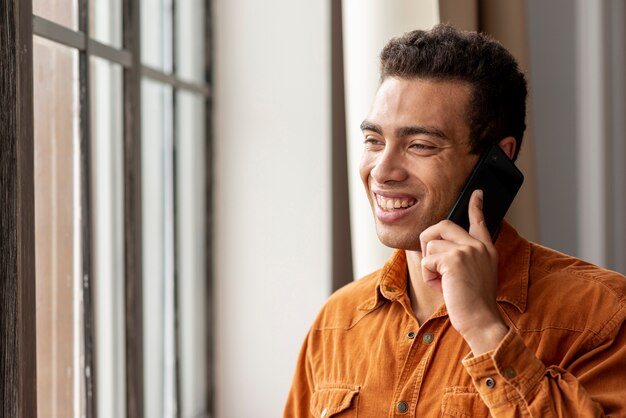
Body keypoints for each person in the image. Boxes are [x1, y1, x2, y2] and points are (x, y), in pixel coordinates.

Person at [284, 24, 626, 417]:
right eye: (374, 141)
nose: (382, 170)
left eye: (420, 145)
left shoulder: (602, 315)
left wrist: (484, 327)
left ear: (496, 160)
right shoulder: (336, 323)